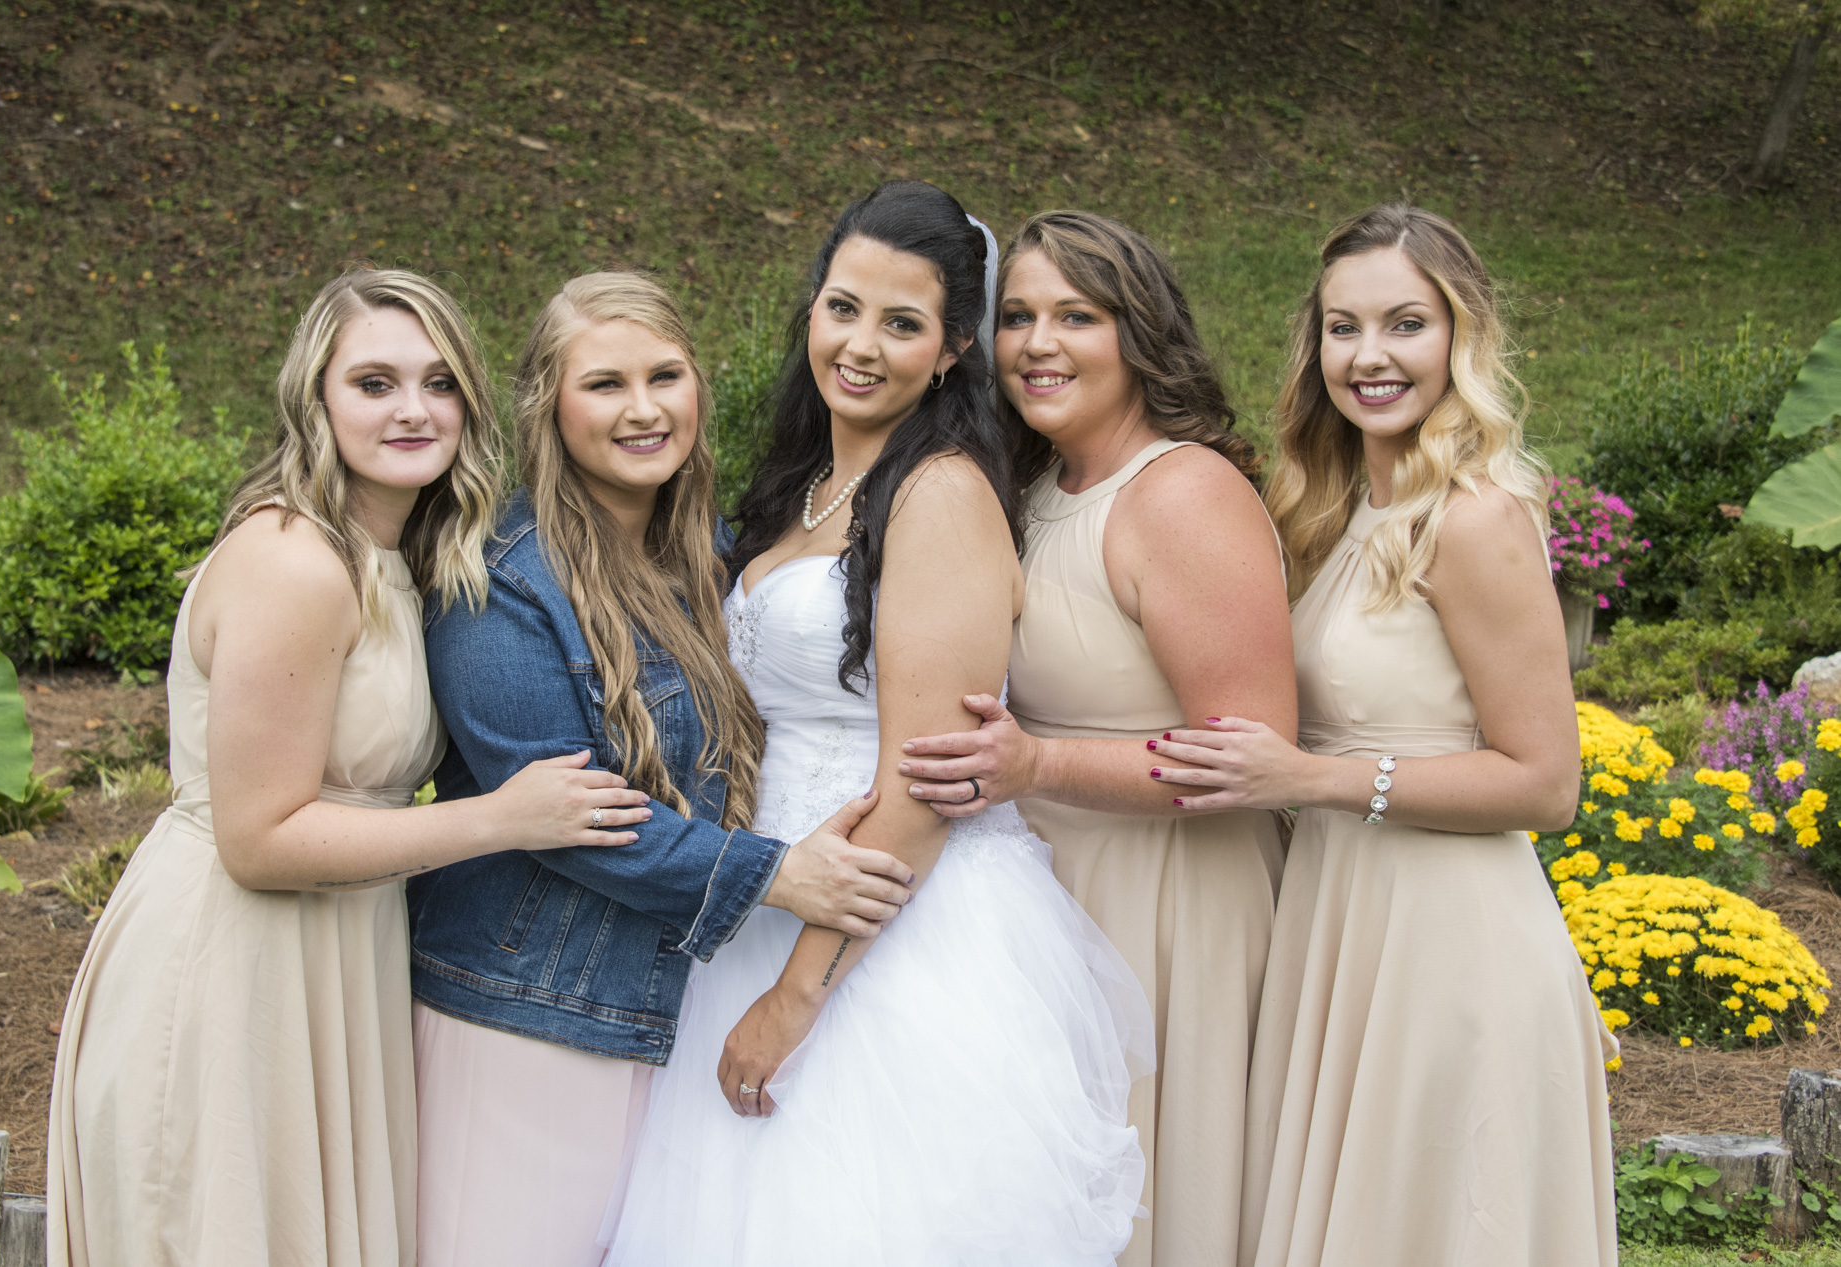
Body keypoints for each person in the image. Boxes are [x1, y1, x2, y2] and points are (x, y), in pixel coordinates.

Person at [605, 180, 1153, 1267]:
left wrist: (797, 994)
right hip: (773, 888)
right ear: (810, 307)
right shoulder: (802, 483)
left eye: (903, 324)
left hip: (890, 929)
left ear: (951, 350)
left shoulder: (940, 492)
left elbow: (929, 779)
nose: (861, 345)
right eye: (843, 307)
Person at [46, 268, 642, 1267]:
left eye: (439, 381)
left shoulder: (393, 559)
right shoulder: (296, 561)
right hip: (235, 962)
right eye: (374, 382)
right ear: (314, 399)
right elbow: (259, 838)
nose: (413, 408)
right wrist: (504, 817)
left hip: (333, 951)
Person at [406, 271, 917, 1267]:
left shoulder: (702, 557)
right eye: (604, 385)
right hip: (526, 1012)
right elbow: (572, 815)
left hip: (654, 1005)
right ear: (548, 409)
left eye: (664, 376)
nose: (643, 409)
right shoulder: (501, 584)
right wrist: (776, 872)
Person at [1150, 204, 1616, 1266]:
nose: (1369, 357)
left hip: (1448, 947)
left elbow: (1545, 785)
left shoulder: (1476, 518)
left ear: (1460, 335)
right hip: (1338, 923)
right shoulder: (1330, 508)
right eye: (1341, 327)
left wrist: (1311, 776)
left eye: (1404, 324)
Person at [897, 209, 1297, 1267]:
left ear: (1140, 333)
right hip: (1045, 892)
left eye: (1077, 315)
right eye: (1019, 315)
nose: (1038, 343)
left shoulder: (1181, 493)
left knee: (1157, 1196)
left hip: (1174, 905)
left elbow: (1252, 749)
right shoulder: (1028, 490)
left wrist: (1038, 762)